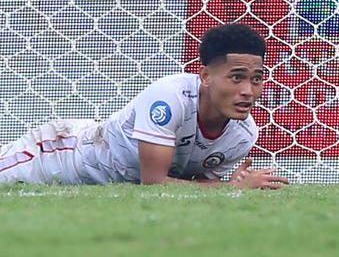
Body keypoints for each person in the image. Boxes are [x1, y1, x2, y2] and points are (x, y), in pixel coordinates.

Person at [0, 22, 289, 188]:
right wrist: (230, 189)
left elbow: (194, 188)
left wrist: (231, 186)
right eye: (237, 78)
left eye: (256, 79)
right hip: (61, 155)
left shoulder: (243, 134)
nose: (248, 91)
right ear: (205, 76)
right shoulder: (169, 97)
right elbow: (155, 183)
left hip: (101, 186)